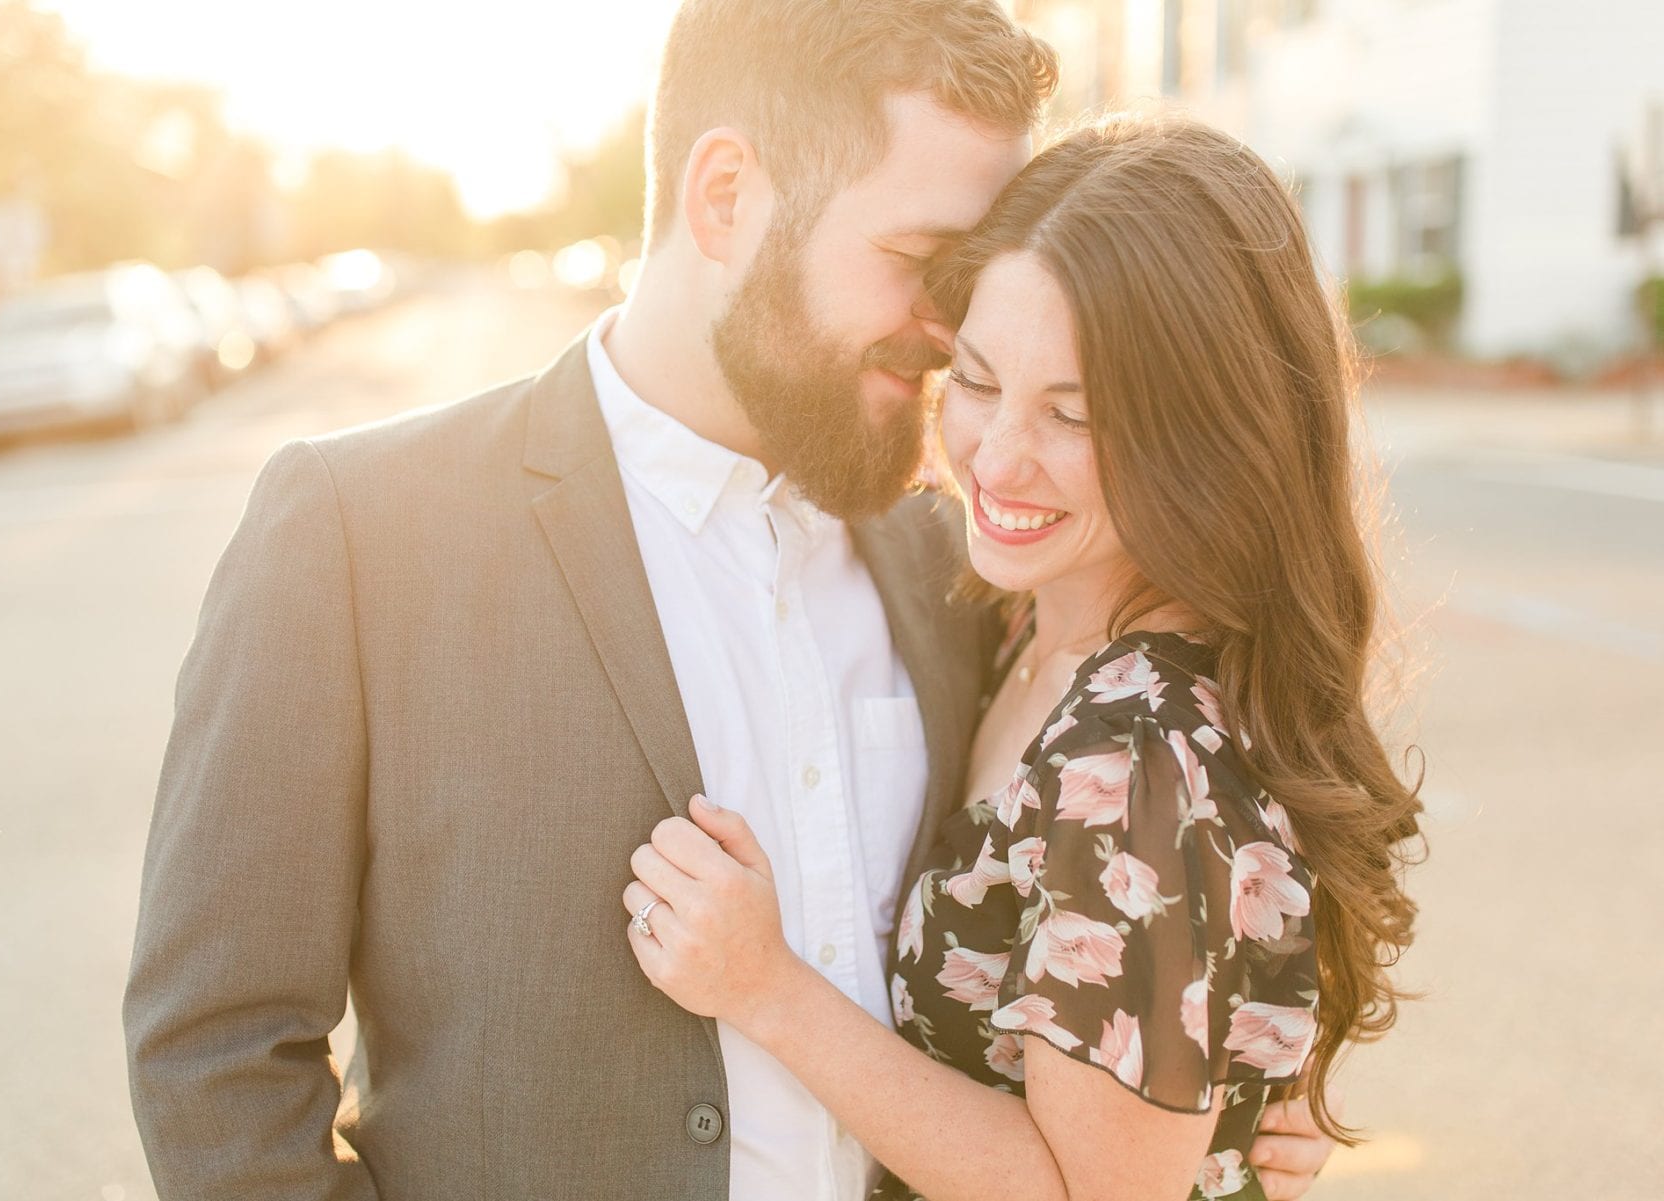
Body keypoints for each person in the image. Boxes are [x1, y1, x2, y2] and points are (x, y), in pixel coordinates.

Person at [122, 3, 1338, 1198]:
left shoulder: (950, 552)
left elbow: (1132, 894)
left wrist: (1230, 1090)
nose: (947, 330)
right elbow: (216, 1054)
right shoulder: (359, 531)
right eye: (921, 266)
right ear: (725, 198)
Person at [619, 114, 1423, 1201]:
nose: (997, 459)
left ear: (1208, 436)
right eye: (982, 381)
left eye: (1073, 415)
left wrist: (766, 989)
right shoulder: (1029, 626)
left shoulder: (1141, 759)